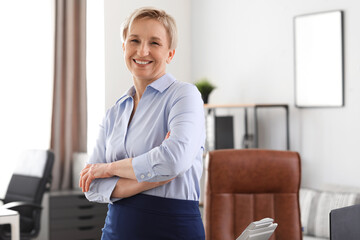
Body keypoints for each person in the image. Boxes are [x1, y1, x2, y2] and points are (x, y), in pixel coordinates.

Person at [79, 7, 206, 240]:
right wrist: (154, 176)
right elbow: (92, 185)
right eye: (134, 40)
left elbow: (173, 160)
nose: (142, 50)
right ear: (124, 47)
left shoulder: (184, 96)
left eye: (155, 43)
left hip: (172, 229)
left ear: (170, 53)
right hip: (117, 231)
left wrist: (109, 169)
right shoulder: (114, 113)